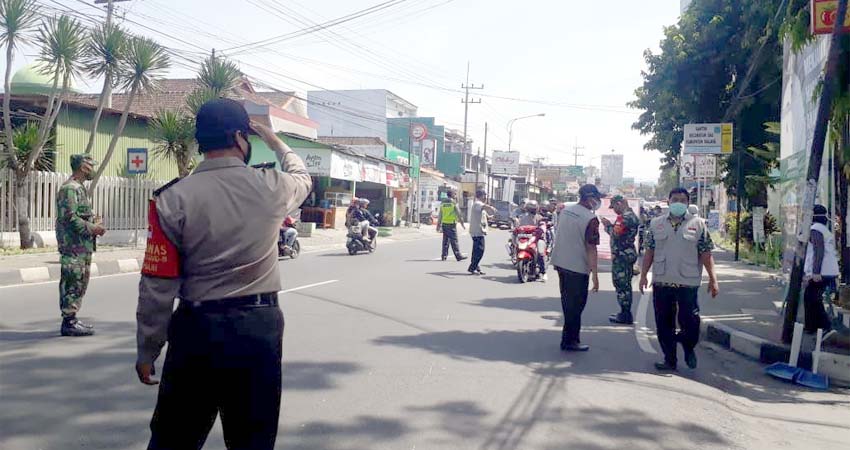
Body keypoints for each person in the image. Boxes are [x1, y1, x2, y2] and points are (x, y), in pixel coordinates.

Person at [135, 98, 311, 450]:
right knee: (252, 441)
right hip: (257, 329)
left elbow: (157, 286)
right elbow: (302, 176)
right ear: (238, 137)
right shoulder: (272, 187)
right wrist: (275, 141)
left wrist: (147, 350)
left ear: (202, 141)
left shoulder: (171, 199)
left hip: (196, 331)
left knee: (174, 439)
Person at [640, 187, 719, 372]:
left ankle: (688, 345)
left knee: (691, 321)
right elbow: (649, 251)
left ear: (688, 203)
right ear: (668, 202)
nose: (678, 203)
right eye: (675, 199)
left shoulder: (698, 224)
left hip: (688, 283)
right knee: (663, 323)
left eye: (682, 200)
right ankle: (670, 359)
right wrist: (643, 275)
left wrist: (713, 279)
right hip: (662, 281)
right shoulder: (656, 223)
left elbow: (706, 254)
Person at [56, 154, 107, 337]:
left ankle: (73, 319)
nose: (93, 169)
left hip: (82, 246)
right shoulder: (70, 189)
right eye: (90, 166)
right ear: (83, 167)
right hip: (73, 246)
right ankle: (68, 322)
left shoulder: (80, 188)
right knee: (72, 281)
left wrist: (94, 222)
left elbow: (80, 215)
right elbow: (69, 218)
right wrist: (93, 228)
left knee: (80, 282)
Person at [550, 184, 603, 351]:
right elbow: (591, 248)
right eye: (597, 198)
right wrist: (595, 274)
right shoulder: (590, 218)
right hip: (577, 267)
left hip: (560, 262)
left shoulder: (566, 210)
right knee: (576, 305)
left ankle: (569, 338)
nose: (598, 201)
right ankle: (570, 341)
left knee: (567, 303)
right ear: (590, 198)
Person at [601, 195, 640, 325]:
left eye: (614, 207)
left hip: (622, 255)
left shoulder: (625, 217)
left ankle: (625, 314)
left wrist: (607, 226)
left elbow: (616, 234)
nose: (614, 210)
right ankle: (624, 312)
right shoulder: (630, 216)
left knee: (622, 284)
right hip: (625, 253)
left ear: (620, 203)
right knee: (624, 284)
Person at [803, 204, 839, 334]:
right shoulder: (824, 229)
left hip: (822, 271)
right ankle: (814, 327)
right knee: (812, 297)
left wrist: (816, 272)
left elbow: (819, 251)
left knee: (812, 297)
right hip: (829, 270)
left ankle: (823, 326)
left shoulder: (816, 229)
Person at [468, 190, 496, 275]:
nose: (486, 197)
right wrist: (491, 207)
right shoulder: (477, 203)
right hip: (476, 231)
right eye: (485, 195)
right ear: (481, 196)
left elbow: (484, 215)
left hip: (479, 231)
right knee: (480, 250)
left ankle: (476, 267)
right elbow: (484, 207)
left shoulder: (480, 206)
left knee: (476, 251)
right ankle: (472, 267)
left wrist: (491, 217)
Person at [437, 189, 467, 261]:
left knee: (445, 241)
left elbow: (440, 215)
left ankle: (444, 256)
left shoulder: (443, 203)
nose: (455, 195)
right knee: (454, 240)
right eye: (455, 194)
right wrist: (462, 224)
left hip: (444, 224)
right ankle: (458, 256)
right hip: (451, 224)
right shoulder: (453, 203)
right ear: (452, 195)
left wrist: (438, 225)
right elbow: (459, 214)